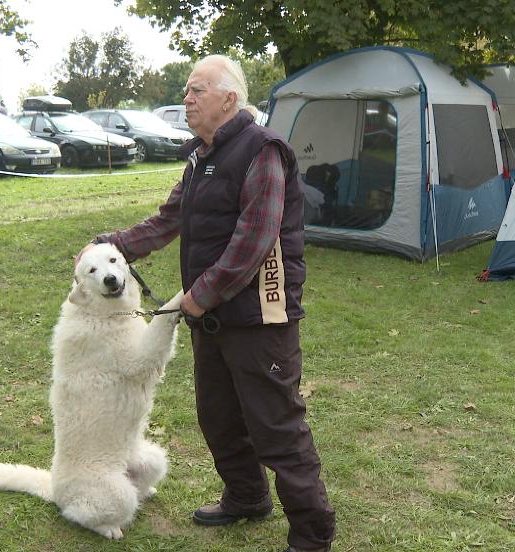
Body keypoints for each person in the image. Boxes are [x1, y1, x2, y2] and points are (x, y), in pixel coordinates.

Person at [77, 54, 336, 552]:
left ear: (229, 99)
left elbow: (255, 240)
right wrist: (110, 243)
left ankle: (312, 532)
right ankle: (246, 497)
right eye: (187, 90)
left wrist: (198, 296)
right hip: (212, 315)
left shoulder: (263, 150)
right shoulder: (202, 155)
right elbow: (167, 219)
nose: (187, 99)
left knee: (276, 427)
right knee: (218, 414)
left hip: (260, 316)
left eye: (197, 90)